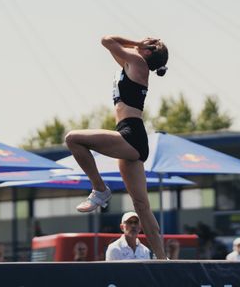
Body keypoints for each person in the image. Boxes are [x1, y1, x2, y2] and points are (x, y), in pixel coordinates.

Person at [65, 35, 169, 259]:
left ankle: (100, 189)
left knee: (73, 139)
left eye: (145, 41)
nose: (140, 40)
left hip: (130, 134)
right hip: (132, 136)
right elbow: (113, 47)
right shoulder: (132, 65)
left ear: (148, 50)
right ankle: (162, 258)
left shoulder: (139, 62)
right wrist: (141, 45)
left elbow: (107, 40)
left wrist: (138, 44)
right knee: (142, 205)